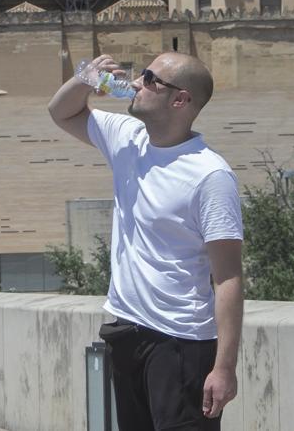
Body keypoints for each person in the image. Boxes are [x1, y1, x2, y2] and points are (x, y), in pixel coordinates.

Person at [48, 52, 244, 430]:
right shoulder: (128, 137)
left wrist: (224, 367)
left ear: (180, 99)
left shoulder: (210, 175)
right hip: (128, 332)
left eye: (151, 79)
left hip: (181, 342)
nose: (137, 82)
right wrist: (86, 79)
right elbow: (61, 112)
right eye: (141, 74)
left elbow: (228, 277)